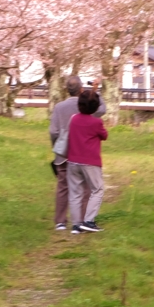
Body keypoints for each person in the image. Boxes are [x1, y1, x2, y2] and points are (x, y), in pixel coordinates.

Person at [49, 75, 105, 230]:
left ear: (67, 90)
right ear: (81, 89)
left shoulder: (59, 107)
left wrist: (58, 148)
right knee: (86, 187)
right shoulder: (86, 106)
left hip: (62, 154)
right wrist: (95, 90)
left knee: (63, 187)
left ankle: (60, 221)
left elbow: (53, 131)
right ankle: (82, 221)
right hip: (82, 153)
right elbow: (102, 109)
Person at [67, 87, 107, 234]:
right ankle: (89, 221)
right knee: (97, 189)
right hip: (90, 162)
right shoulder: (96, 123)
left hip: (73, 160)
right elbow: (105, 135)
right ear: (95, 107)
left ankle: (76, 225)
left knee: (75, 192)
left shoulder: (73, 119)